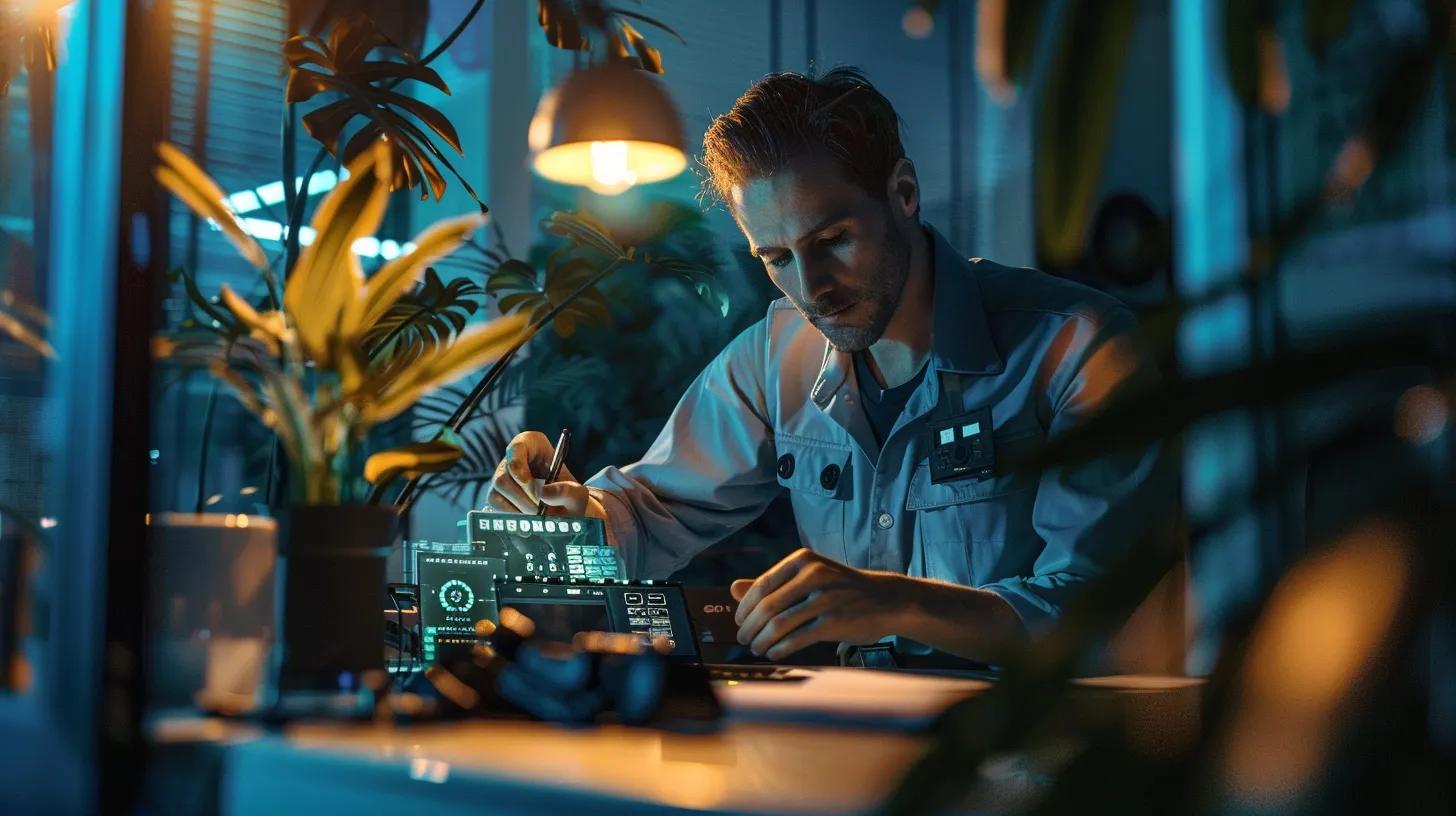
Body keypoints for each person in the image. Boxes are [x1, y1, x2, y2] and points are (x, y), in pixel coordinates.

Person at [486, 67, 1171, 667]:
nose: (811, 288)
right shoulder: (772, 358)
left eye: (833, 239)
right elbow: (650, 511)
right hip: (850, 731)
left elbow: (1093, 612)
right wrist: (573, 512)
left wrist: (893, 604)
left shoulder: (1077, 346)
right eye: (776, 259)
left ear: (904, 192)